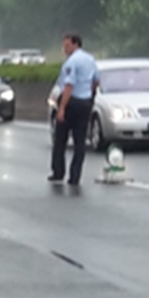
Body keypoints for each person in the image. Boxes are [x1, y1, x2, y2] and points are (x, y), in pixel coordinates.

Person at [49, 33, 99, 186]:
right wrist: (89, 97)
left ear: (76, 44)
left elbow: (68, 86)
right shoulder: (90, 59)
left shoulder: (71, 62)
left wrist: (62, 108)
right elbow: (96, 81)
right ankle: (75, 176)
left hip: (71, 102)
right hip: (85, 103)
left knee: (60, 139)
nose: (65, 49)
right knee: (80, 141)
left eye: (67, 46)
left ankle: (58, 172)